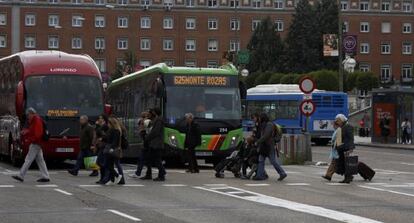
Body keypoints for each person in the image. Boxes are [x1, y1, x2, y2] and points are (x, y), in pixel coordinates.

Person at [12, 108, 50, 183]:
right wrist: (26, 132)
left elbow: (37, 134)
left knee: (28, 160)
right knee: (40, 160)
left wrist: (29, 139)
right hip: (38, 143)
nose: (27, 116)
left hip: (36, 143)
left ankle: (21, 176)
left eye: (28, 115)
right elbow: (33, 131)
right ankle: (45, 176)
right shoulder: (34, 120)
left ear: (32, 113)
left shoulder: (36, 120)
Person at [253, 113, 287, 181]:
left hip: (269, 145)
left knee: (272, 161)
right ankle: (260, 175)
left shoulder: (269, 124)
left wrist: (258, 141)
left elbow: (266, 135)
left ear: (263, 118)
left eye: (260, 117)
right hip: (264, 145)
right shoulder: (263, 125)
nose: (258, 119)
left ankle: (282, 173)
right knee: (261, 160)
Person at [141, 108, 166, 181]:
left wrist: (147, 137)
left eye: (151, 112)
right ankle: (150, 174)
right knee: (149, 159)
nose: (150, 114)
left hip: (156, 143)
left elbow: (155, 132)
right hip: (153, 143)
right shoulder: (155, 119)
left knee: (157, 160)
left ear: (154, 113)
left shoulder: (159, 120)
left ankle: (162, 175)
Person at [97, 117, 122, 185]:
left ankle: (117, 175)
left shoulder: (116, 131)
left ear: (111, 123)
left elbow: (115, 141)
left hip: (110, 149)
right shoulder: (110, 130)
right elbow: (107, 138)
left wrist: (112, 148)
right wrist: (102, 139)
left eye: (108, 123)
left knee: (107, 164)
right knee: (109, 165)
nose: (107, 124)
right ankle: (112, 179)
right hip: (108, 148)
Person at [334, 114, 355, 184]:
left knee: (347, 163)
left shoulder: (348, 127)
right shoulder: (341, 127)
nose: (337, 122)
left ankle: (347, 178)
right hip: (341, 148)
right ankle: (348, 177)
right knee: (343, 163)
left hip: (346, 148)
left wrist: (350, 148)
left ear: (342, 120)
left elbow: (351, 138)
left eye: (338, 121)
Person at [130, 112, 151, 178]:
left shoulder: (147, 123)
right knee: (147, 160)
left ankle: (138, 173)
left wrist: (144, 143)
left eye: (142, 117)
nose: (140, 125)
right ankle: (148, 174)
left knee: (142, 159)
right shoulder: (146, 123)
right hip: (146, 144)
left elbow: (146, 136)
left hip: (146, 145)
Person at [95, 114, 109, 183]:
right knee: (99, 162)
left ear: (104, 119)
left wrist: (102, 138)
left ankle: (105, 178)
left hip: (105, 146)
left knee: (102, 162)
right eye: (99, 118)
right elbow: (97, 133)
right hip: (100, 146)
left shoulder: (105, 126)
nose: (99, 119)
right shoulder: (100, 126)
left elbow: (106, 135)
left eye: (101, 118)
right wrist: (97, 126)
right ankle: (102, 178)